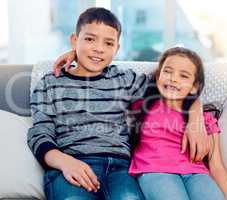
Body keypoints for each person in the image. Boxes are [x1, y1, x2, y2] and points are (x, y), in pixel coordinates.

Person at [28, 7, 209, 200]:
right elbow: (40, 134)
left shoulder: (123, 78)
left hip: (119, 169)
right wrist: (65, 162)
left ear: (117, 49)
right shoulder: (50, 83)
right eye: (89, 39)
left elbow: (174, 89)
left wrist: (195, 121)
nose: (98, 48)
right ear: (74, 40)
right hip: (72, 164)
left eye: (108, 43)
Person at [128, 47, 227, 200]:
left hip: (196, 173)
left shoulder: (204, 119)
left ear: (194, 87)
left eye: (183, 76)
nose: (173, 78)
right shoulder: (142, 105)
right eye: (167, 71)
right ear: (158, 76)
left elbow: (216, 165)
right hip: (156, 170)